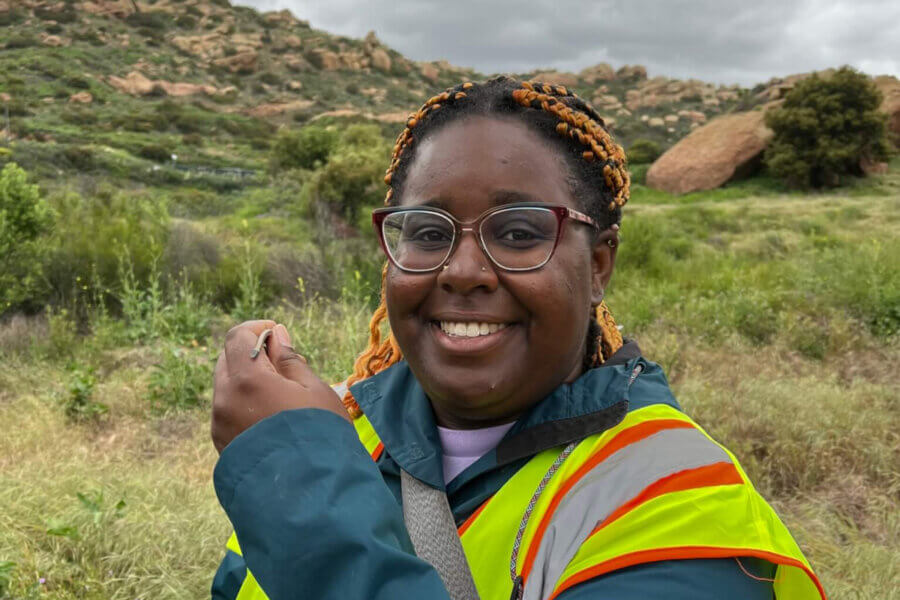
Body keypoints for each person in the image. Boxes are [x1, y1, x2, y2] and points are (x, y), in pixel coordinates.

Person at [209, 77, 825, 600]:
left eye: (521, 233)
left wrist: (305, 490)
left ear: (599, 265)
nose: (463, 271)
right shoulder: (340, 428)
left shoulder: (677, 501)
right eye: (426, 231)